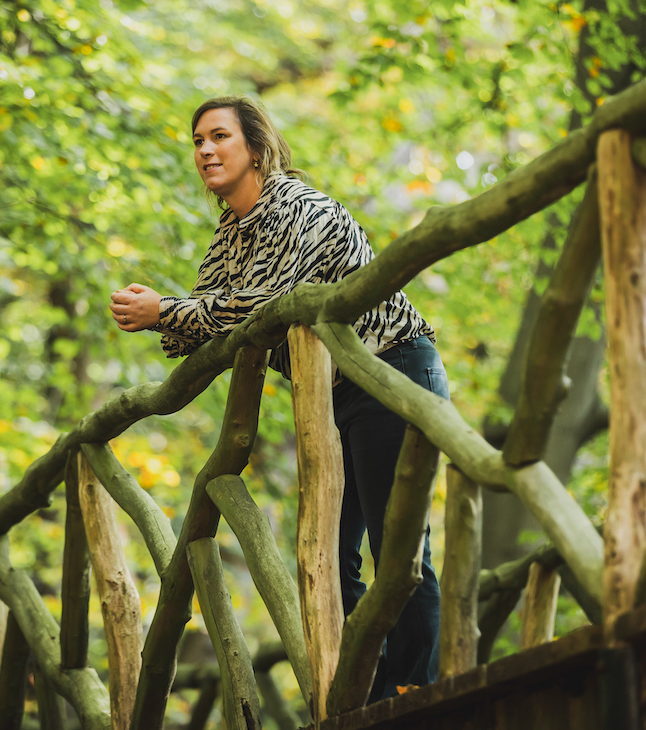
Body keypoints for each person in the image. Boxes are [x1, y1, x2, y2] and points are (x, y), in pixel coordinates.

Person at [109, 96, 449, 702]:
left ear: (257, 148)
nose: (205, 149)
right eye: (198, 141)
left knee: (396, 546)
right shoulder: (232, 233)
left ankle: (412, 690)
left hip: (391, 370)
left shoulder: (299, 207)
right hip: (334, 397)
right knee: (328, 555)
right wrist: (160, 311)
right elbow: (199, 327)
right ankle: (360, 690)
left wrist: (166, 309)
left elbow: (262, 305)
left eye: (219, 136)